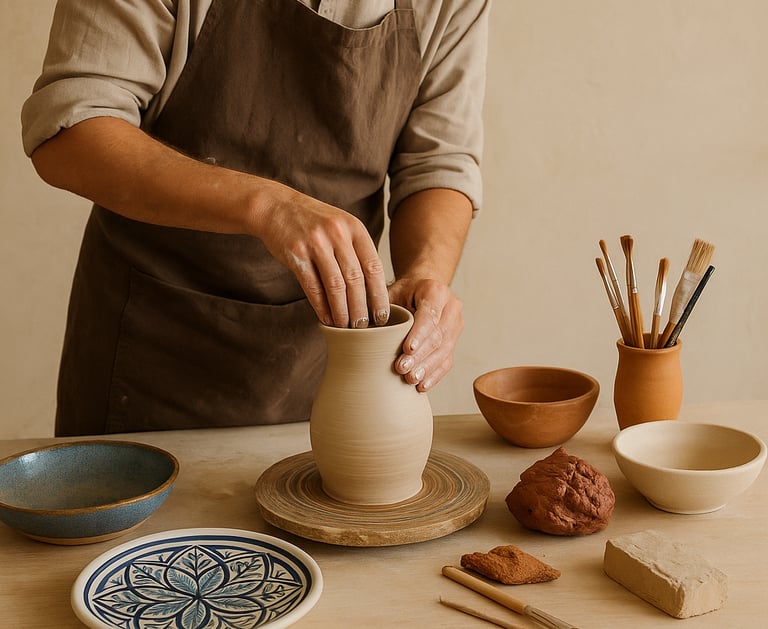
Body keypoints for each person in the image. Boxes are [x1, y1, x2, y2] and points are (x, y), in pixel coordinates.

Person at [21, 0, 490, 436]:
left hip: (326, 371)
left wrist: (426, 272)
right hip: (151, 358)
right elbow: (71, 131)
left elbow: (437, 162)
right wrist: (267, 207)